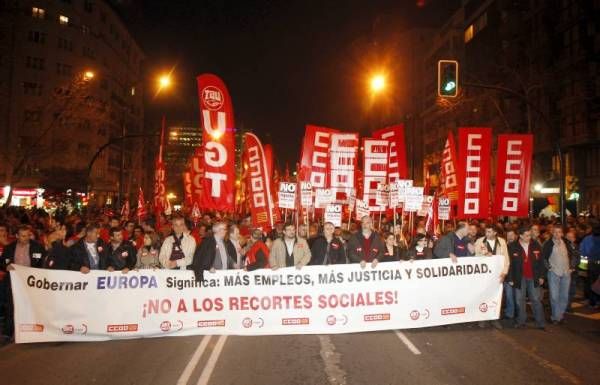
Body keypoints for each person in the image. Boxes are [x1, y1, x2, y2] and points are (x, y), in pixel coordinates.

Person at [508, 227, 546, 330]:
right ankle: (521, 321)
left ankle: (540, 323)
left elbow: (542, 262)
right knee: (519, 300)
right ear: (520, 236)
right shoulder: (512, 246)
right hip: (519, 277)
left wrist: (542, 276)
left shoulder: (536, 245)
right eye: (527, 235)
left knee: (536, 299)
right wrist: (510, 278)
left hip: (533, 276)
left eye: (530, 235)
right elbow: (509, 264)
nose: (529, 237)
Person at [474, 225, 509, 329]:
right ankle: (482, 318)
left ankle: (494, 318)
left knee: (496, 296)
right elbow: (476, 255)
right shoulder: (480, 241)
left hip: (497, 274)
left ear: (495, 233)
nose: (487, 234)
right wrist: (484, 254)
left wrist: (504, 272)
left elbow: (506, 258)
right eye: (486, 232)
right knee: (483, 295)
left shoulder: (502, 242)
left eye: (489, 232)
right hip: (484, 274)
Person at [542, 226, 579, 324]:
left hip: (566, 273)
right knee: (554, 296)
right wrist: (549, 268)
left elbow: (574, 254)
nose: (557, 234)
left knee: (564, 296)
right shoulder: (548, 244)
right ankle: (555, 317)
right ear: (552, 233)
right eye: (555, 232)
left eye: (559, 232)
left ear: (562, 233)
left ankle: (560, 315)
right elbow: (543, 258)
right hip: (554, 273)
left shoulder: (566, 243)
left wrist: (572, 267)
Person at [580, 222, 600, 309]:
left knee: (591, 283)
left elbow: (582, 252)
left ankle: (592, 302)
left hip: (591, 264)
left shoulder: (587, 239)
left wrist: (583, 267)